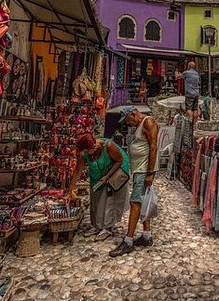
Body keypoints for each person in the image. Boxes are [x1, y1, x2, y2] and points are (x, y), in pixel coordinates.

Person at [109, 106, 159, 257]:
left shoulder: (148, 122)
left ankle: (128, 241)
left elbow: (153, 147)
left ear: (133, 114)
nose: (128, 124)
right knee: (142, 201)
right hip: (139, 169)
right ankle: (146, 236)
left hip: (144, 170)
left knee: (135, 202)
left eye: (127, 120)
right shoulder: (139, 125)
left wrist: (149, 173)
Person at [68, 133, 130, 241]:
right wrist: (70, 189)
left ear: (93, 145)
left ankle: (107, 228)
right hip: (98, 175)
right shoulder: (85, 154)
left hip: (115, 171)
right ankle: (98, 226)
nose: (86, 153)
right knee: (96, 199)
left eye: (88, 151)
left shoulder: (108, 146)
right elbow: (78, 171)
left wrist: (107, 176)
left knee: (109, 200)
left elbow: (119, 161)